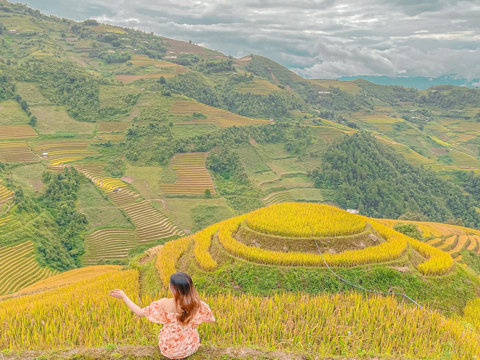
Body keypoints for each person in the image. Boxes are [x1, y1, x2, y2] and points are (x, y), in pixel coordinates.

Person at [109, 272, 215, 359]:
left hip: (168, 348)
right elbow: (211, 320)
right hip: (188, 346)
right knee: (193, 331)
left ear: (172, 288)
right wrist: (193, 321)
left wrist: (124, 297)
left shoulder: (164, 303)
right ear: (190, 287)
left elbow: (140, 313)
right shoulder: (198, 304)